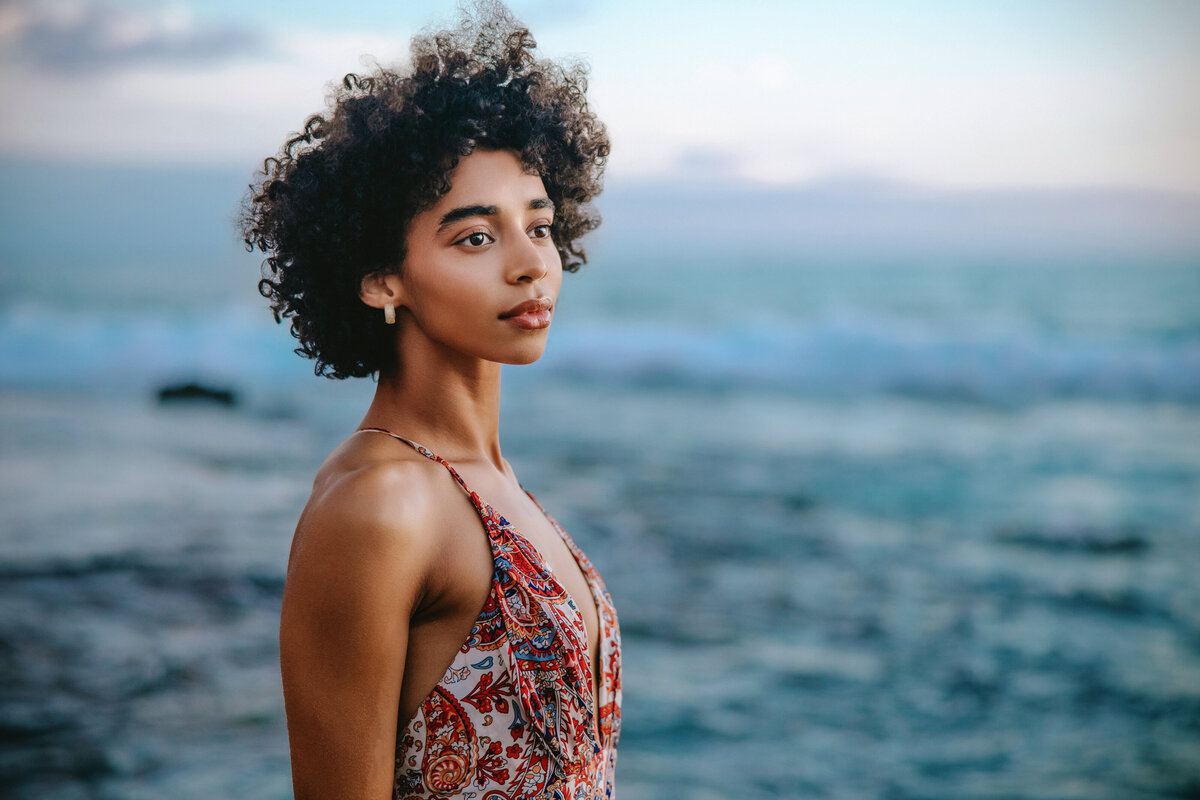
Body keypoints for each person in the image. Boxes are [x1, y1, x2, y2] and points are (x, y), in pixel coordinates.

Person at [240, 4, 620, 798]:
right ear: (381, 278)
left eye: (540, 227)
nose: (529, 265)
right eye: (475, 237)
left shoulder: (493, 481)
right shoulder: (381, 503)